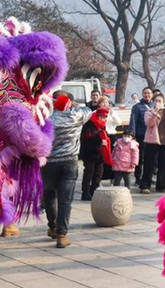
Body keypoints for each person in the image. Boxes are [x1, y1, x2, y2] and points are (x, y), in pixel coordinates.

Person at [43, 91, 92, 248]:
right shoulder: (75, 116)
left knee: (49, 195)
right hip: (69, 161)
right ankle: (62, 235)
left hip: (48, 163)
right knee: (65, 200)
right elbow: (89, 111)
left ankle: (52, 227)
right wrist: (74, 105)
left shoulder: (46, 118)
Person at [140, 94, 165, 193]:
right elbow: (149, 123)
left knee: (164, 165)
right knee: (149, 164)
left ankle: (161, 185)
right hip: (152, 141)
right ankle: (145, 185)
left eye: (159, 101)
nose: (157, 103)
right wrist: (155, 112)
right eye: (156, 101)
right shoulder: (149, 112)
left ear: (163, 102)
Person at [80, 97, 113, 201]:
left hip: (100, 154)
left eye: (105, 118)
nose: (103, 120)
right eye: (102, 118)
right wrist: (99, 141)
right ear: (98, 116)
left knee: (98, 174)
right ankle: (85, 193)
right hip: (90, 154)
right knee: (89, 173)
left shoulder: (102, 125)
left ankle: (93, 191)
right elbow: (87, 138)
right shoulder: (90, 124)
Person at [130, 87, 153, 185]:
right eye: (145, 93)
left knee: (150, 158)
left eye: (149, 93)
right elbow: (133, 120)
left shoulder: (155, 105)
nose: (147, 95)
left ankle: (148, 177)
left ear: (152, 95)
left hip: (152, 136)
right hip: (141, 135)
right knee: (139, 158)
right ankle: (138, 177)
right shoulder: (137, 107)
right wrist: (133, 134)